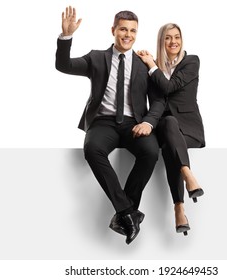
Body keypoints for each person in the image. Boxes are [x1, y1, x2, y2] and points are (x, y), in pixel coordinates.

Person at [55, 6, 165, 244]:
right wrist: (66, 37)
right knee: (92, 149)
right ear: (113, 30)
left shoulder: (144, 63)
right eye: (123, 29)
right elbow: (64, 66)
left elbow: (158, 101)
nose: (128, 35)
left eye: (133, 31)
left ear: (137, 33)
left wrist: (148, 122)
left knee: (150, 152)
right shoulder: (97, 58)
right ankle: (127, 212)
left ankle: (126, 212)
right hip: (103, 122)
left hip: (135, 124)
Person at [137, 23, 205, 236]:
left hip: (188, 129)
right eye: (168, 38)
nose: (173, 41)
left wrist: (151, 65)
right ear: (161, 42)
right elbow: (156, 99)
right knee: (167, 125)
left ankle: (179, 206)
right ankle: (187, 175)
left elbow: (169, 87)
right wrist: (151, 64)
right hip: (165, 129)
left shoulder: (191, 61)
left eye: (177, 37)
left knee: (169, 139)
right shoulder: (154, 66)